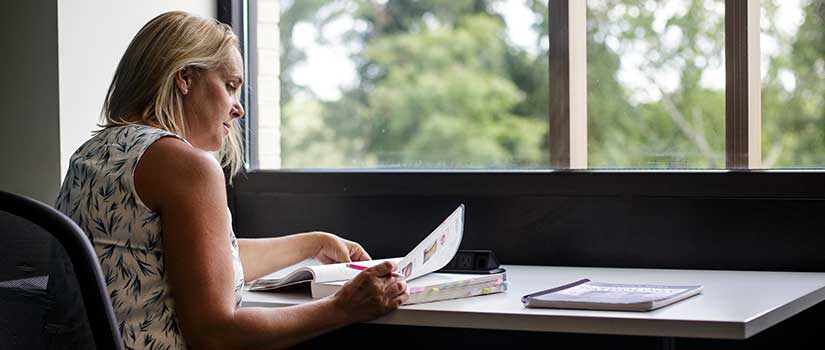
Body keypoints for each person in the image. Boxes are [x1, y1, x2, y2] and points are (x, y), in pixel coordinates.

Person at [55, 11, 408, 349]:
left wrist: (313, 243)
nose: (237, 108)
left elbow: (201, 264)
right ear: (185, 78)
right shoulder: (186, 165)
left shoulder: (92, 153)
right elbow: (217, 335)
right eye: (230, 85)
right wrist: (343, 307)